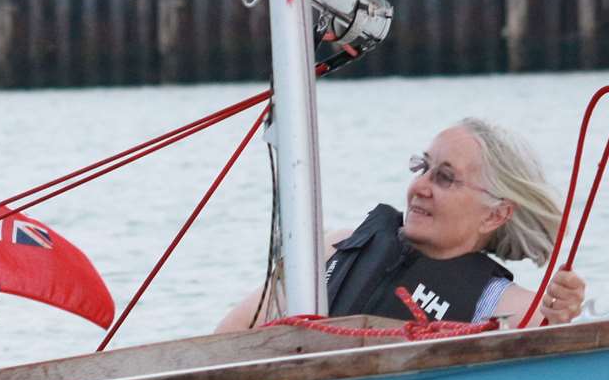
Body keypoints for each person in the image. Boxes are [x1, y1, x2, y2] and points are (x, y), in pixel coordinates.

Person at [216, 118, 587, 331]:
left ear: (495, 214)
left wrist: (557, 318)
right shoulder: (339, 247)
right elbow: (229, 337)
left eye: (445, 177)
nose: (419, 188)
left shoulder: (510, 306)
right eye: (421, 168)